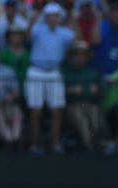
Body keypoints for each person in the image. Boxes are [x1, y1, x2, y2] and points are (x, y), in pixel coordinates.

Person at [25, 2, 75, 154]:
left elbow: (76, 41)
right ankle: (35, 144)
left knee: (56, 111)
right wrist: (32, 20)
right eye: (51, 16)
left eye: (56, 16)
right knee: (36, 111)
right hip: (36, 71)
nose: (54, 18)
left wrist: (73, 19)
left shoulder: (65, 32)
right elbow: (26, 38)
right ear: (46, 17)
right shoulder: (38, 29)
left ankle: (55, 144)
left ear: (60, 17)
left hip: (54, 72)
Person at [62, 41, 102, 151]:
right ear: (72, 57)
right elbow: (61, 92)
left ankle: (99, 144)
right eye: (77, 55)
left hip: (90, 105)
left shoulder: (93, 73)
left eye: (82, 55)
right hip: (72, 107)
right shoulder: (65, 72)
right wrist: (86, 90)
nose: (79, 57)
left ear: (87, 57)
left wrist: (80, 90)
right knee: (81, 119)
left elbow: (100, 91)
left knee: (95, 116)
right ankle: (90, 148)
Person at [91, 1, 118, 75]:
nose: (116, 15)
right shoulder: (102, 25)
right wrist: (98, 19)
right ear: (109, 14)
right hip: (101, 72)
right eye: (113, 12)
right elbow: (95, 41)